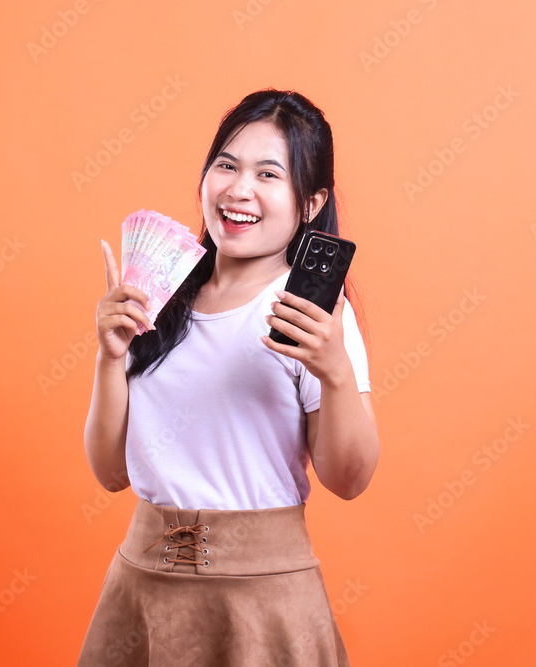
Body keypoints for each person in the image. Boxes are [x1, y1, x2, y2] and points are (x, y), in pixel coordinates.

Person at [78, 89, 379, 666]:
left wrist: (336, 372)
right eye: (226, 165)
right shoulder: (160, 296)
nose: (239, 189)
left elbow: (349, 479)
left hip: (262, 601)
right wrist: (109, 358)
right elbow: (111, 472)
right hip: (140, 590)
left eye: (268, 173)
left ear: (310, 202)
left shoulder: (309, 313)